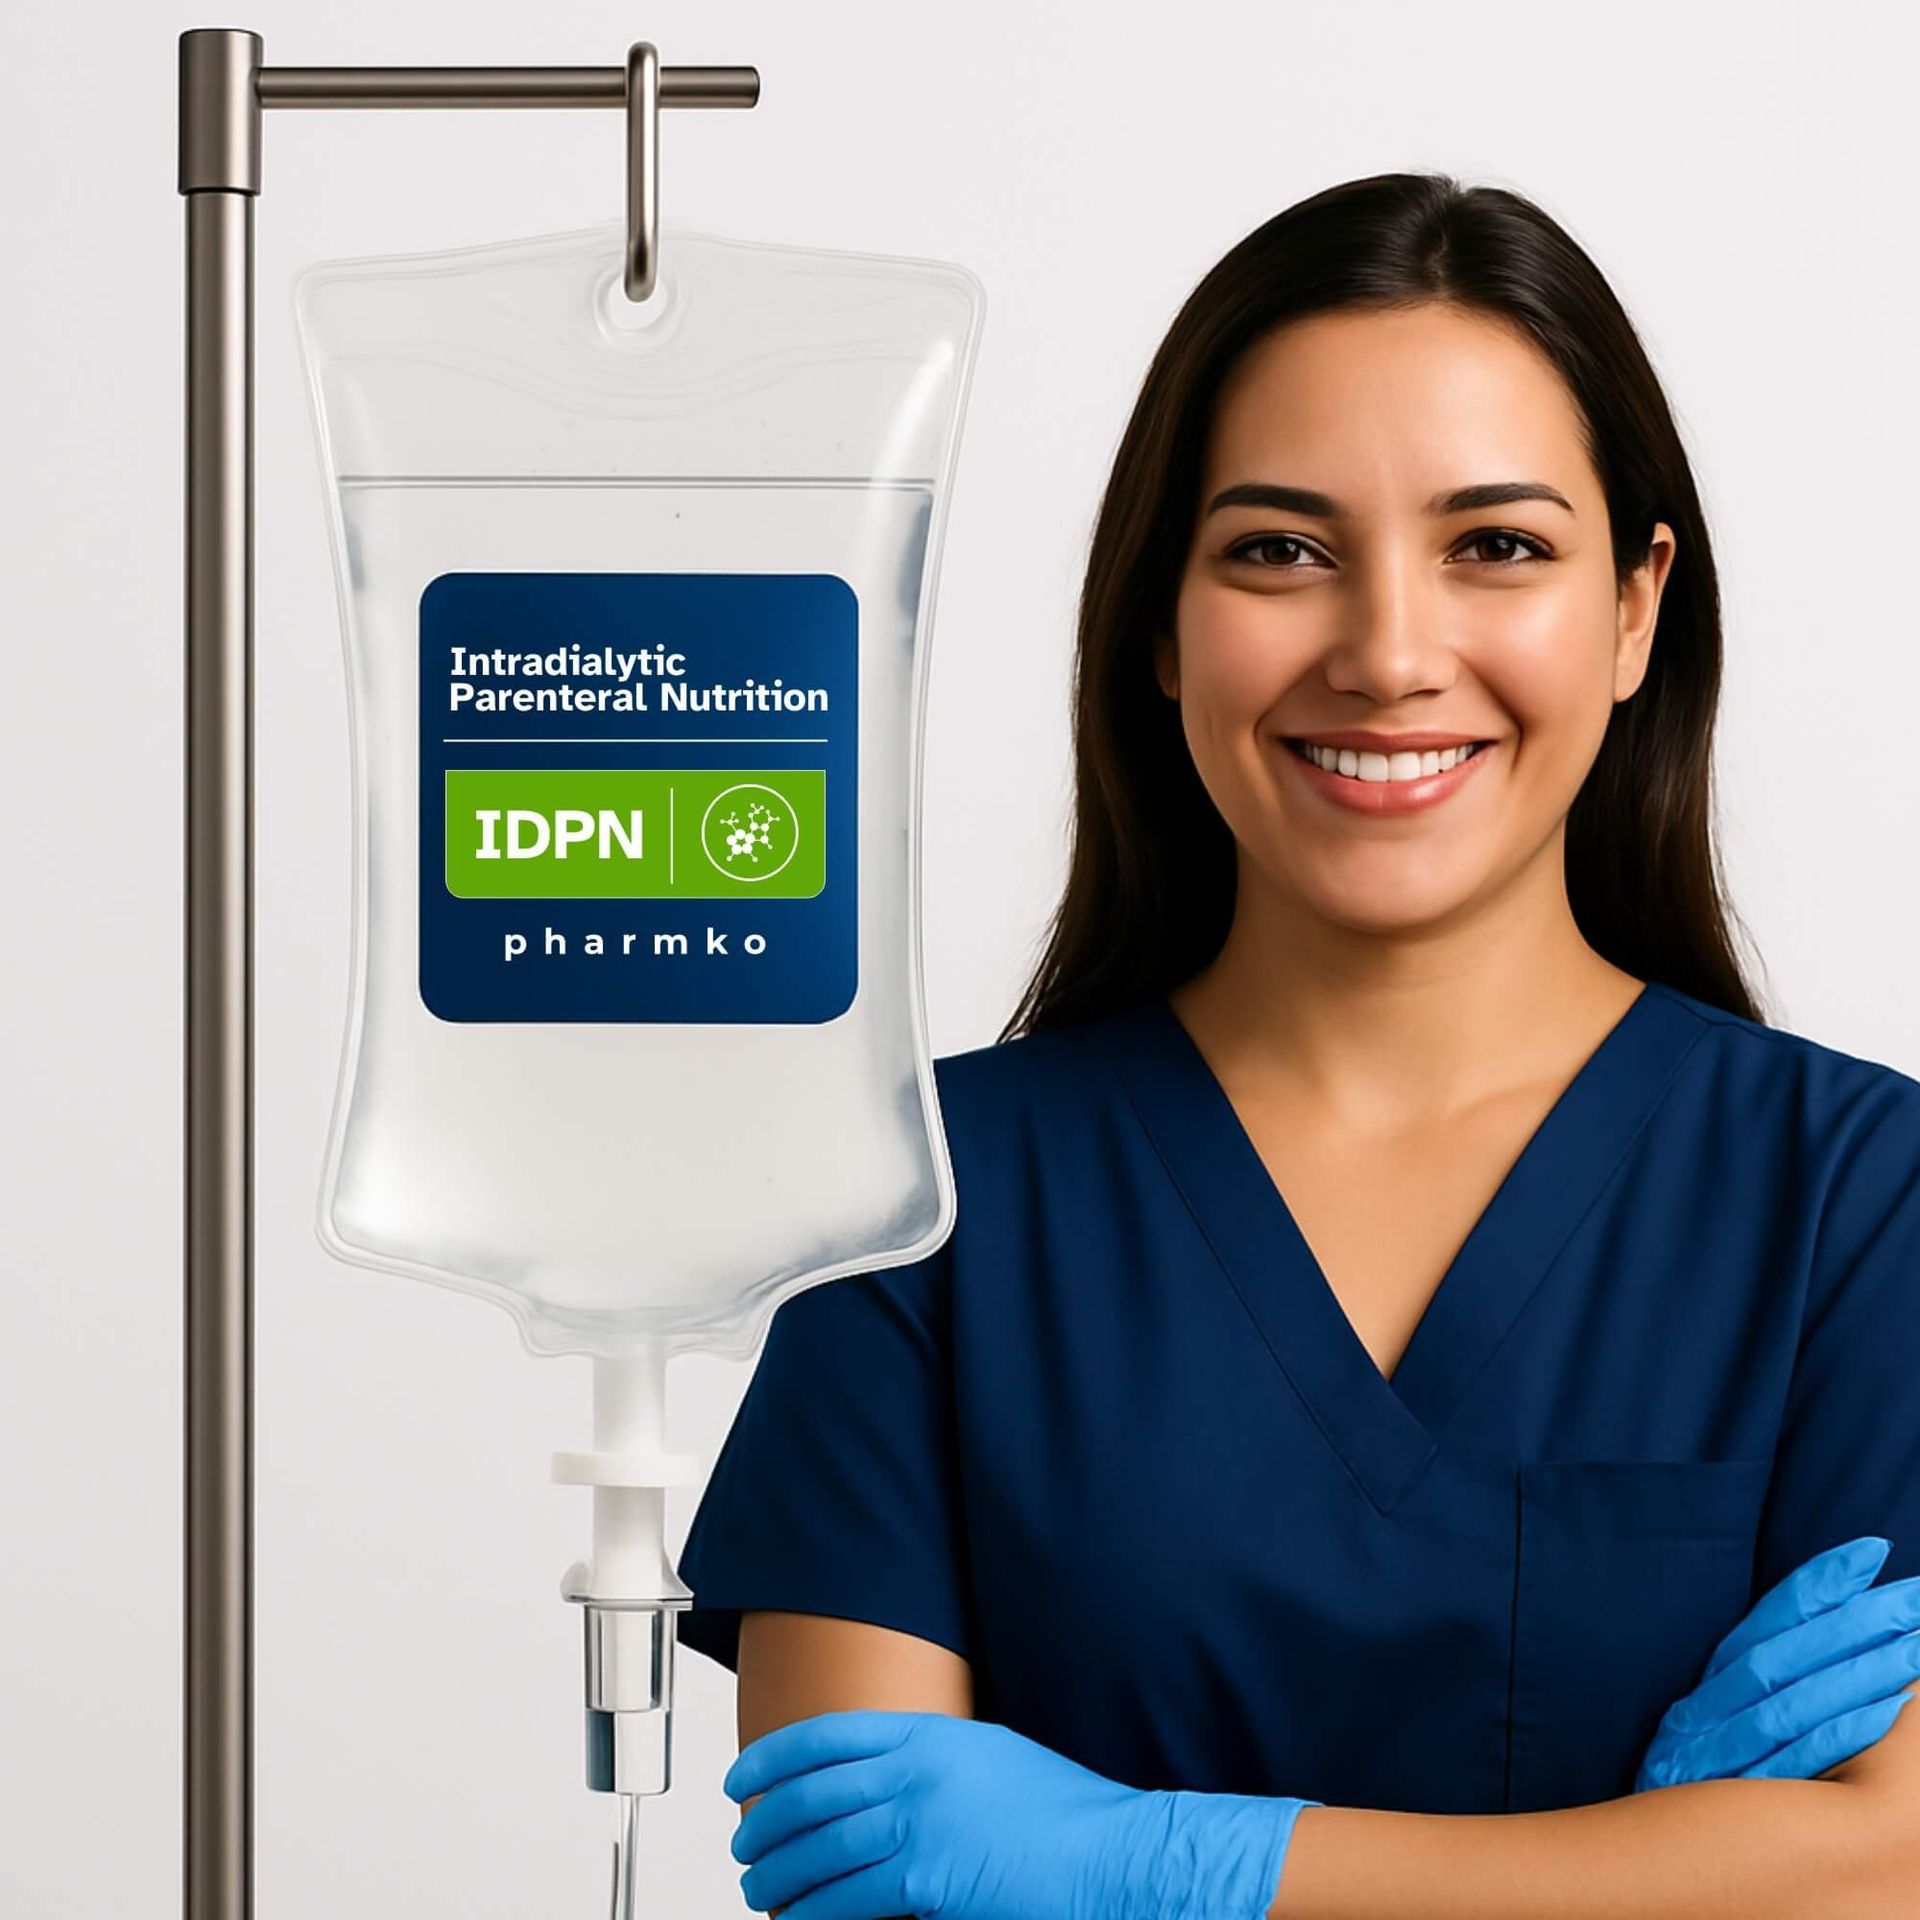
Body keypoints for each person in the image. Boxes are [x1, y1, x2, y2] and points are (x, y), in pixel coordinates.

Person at [673, 171, 1920, 1916]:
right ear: (1161, 628)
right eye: (1278, 550)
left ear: (1635, 608)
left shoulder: (1864, 1207)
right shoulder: (914, 1208)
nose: (1391, 652)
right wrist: (1654, 1869)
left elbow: (1894, 1873)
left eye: (1498, 546)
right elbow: (871, 1882)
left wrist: (1174, 1864)